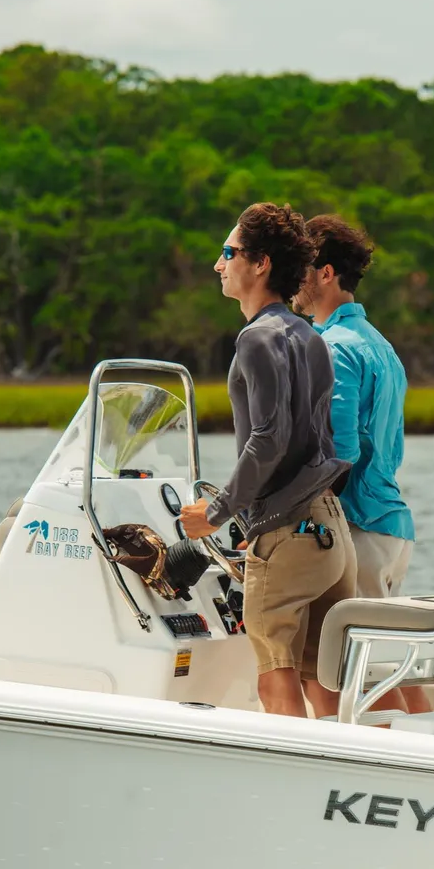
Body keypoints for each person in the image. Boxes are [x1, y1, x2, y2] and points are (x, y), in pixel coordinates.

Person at [179, 202, 357, 719]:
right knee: (320, 679)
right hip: (331, 532)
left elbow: (267, 440)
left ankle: (298, 788)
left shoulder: (256, 339)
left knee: (274, 677)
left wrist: (213, 514)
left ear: (260, 264)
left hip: (287, 532)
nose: (219, 264)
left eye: (228, 252)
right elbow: (321, 442)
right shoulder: (309, 336)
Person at [292, 215, 432, 714]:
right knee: (388, 665)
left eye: (301, 269)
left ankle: (408, 769)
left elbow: (340, 455)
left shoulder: (332, 347)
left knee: (362, 676)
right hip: (393, 527)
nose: (293, 280)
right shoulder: (380, 344)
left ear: (326, 274)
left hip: (360, 530)